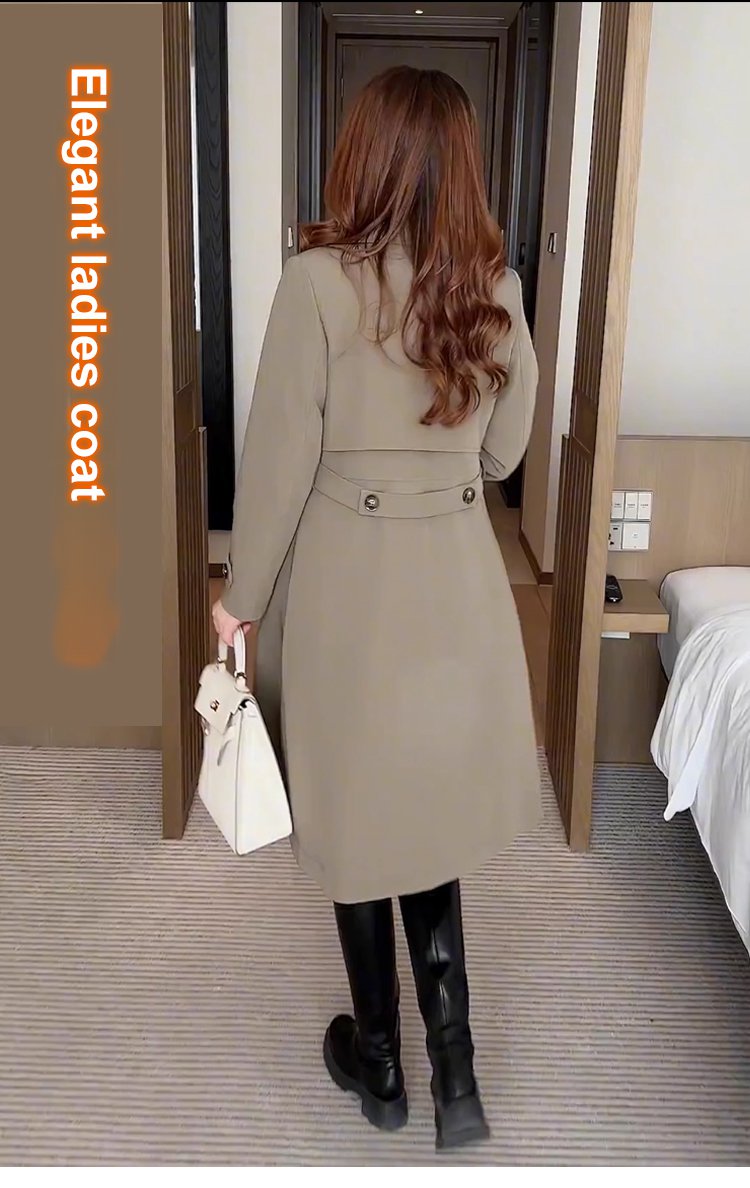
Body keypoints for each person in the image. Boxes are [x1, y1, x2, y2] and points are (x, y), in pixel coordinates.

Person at [212, 66, 542, 1152]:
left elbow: (277, 465)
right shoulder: (494, 288)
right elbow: (503, 453)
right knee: (424, 815)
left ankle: (382, 1067)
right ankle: (458, 1074)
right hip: (455, 586)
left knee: (357, 816)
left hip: (347, 588)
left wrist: (239, 600)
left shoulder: (317, 284)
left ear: (366, 154)